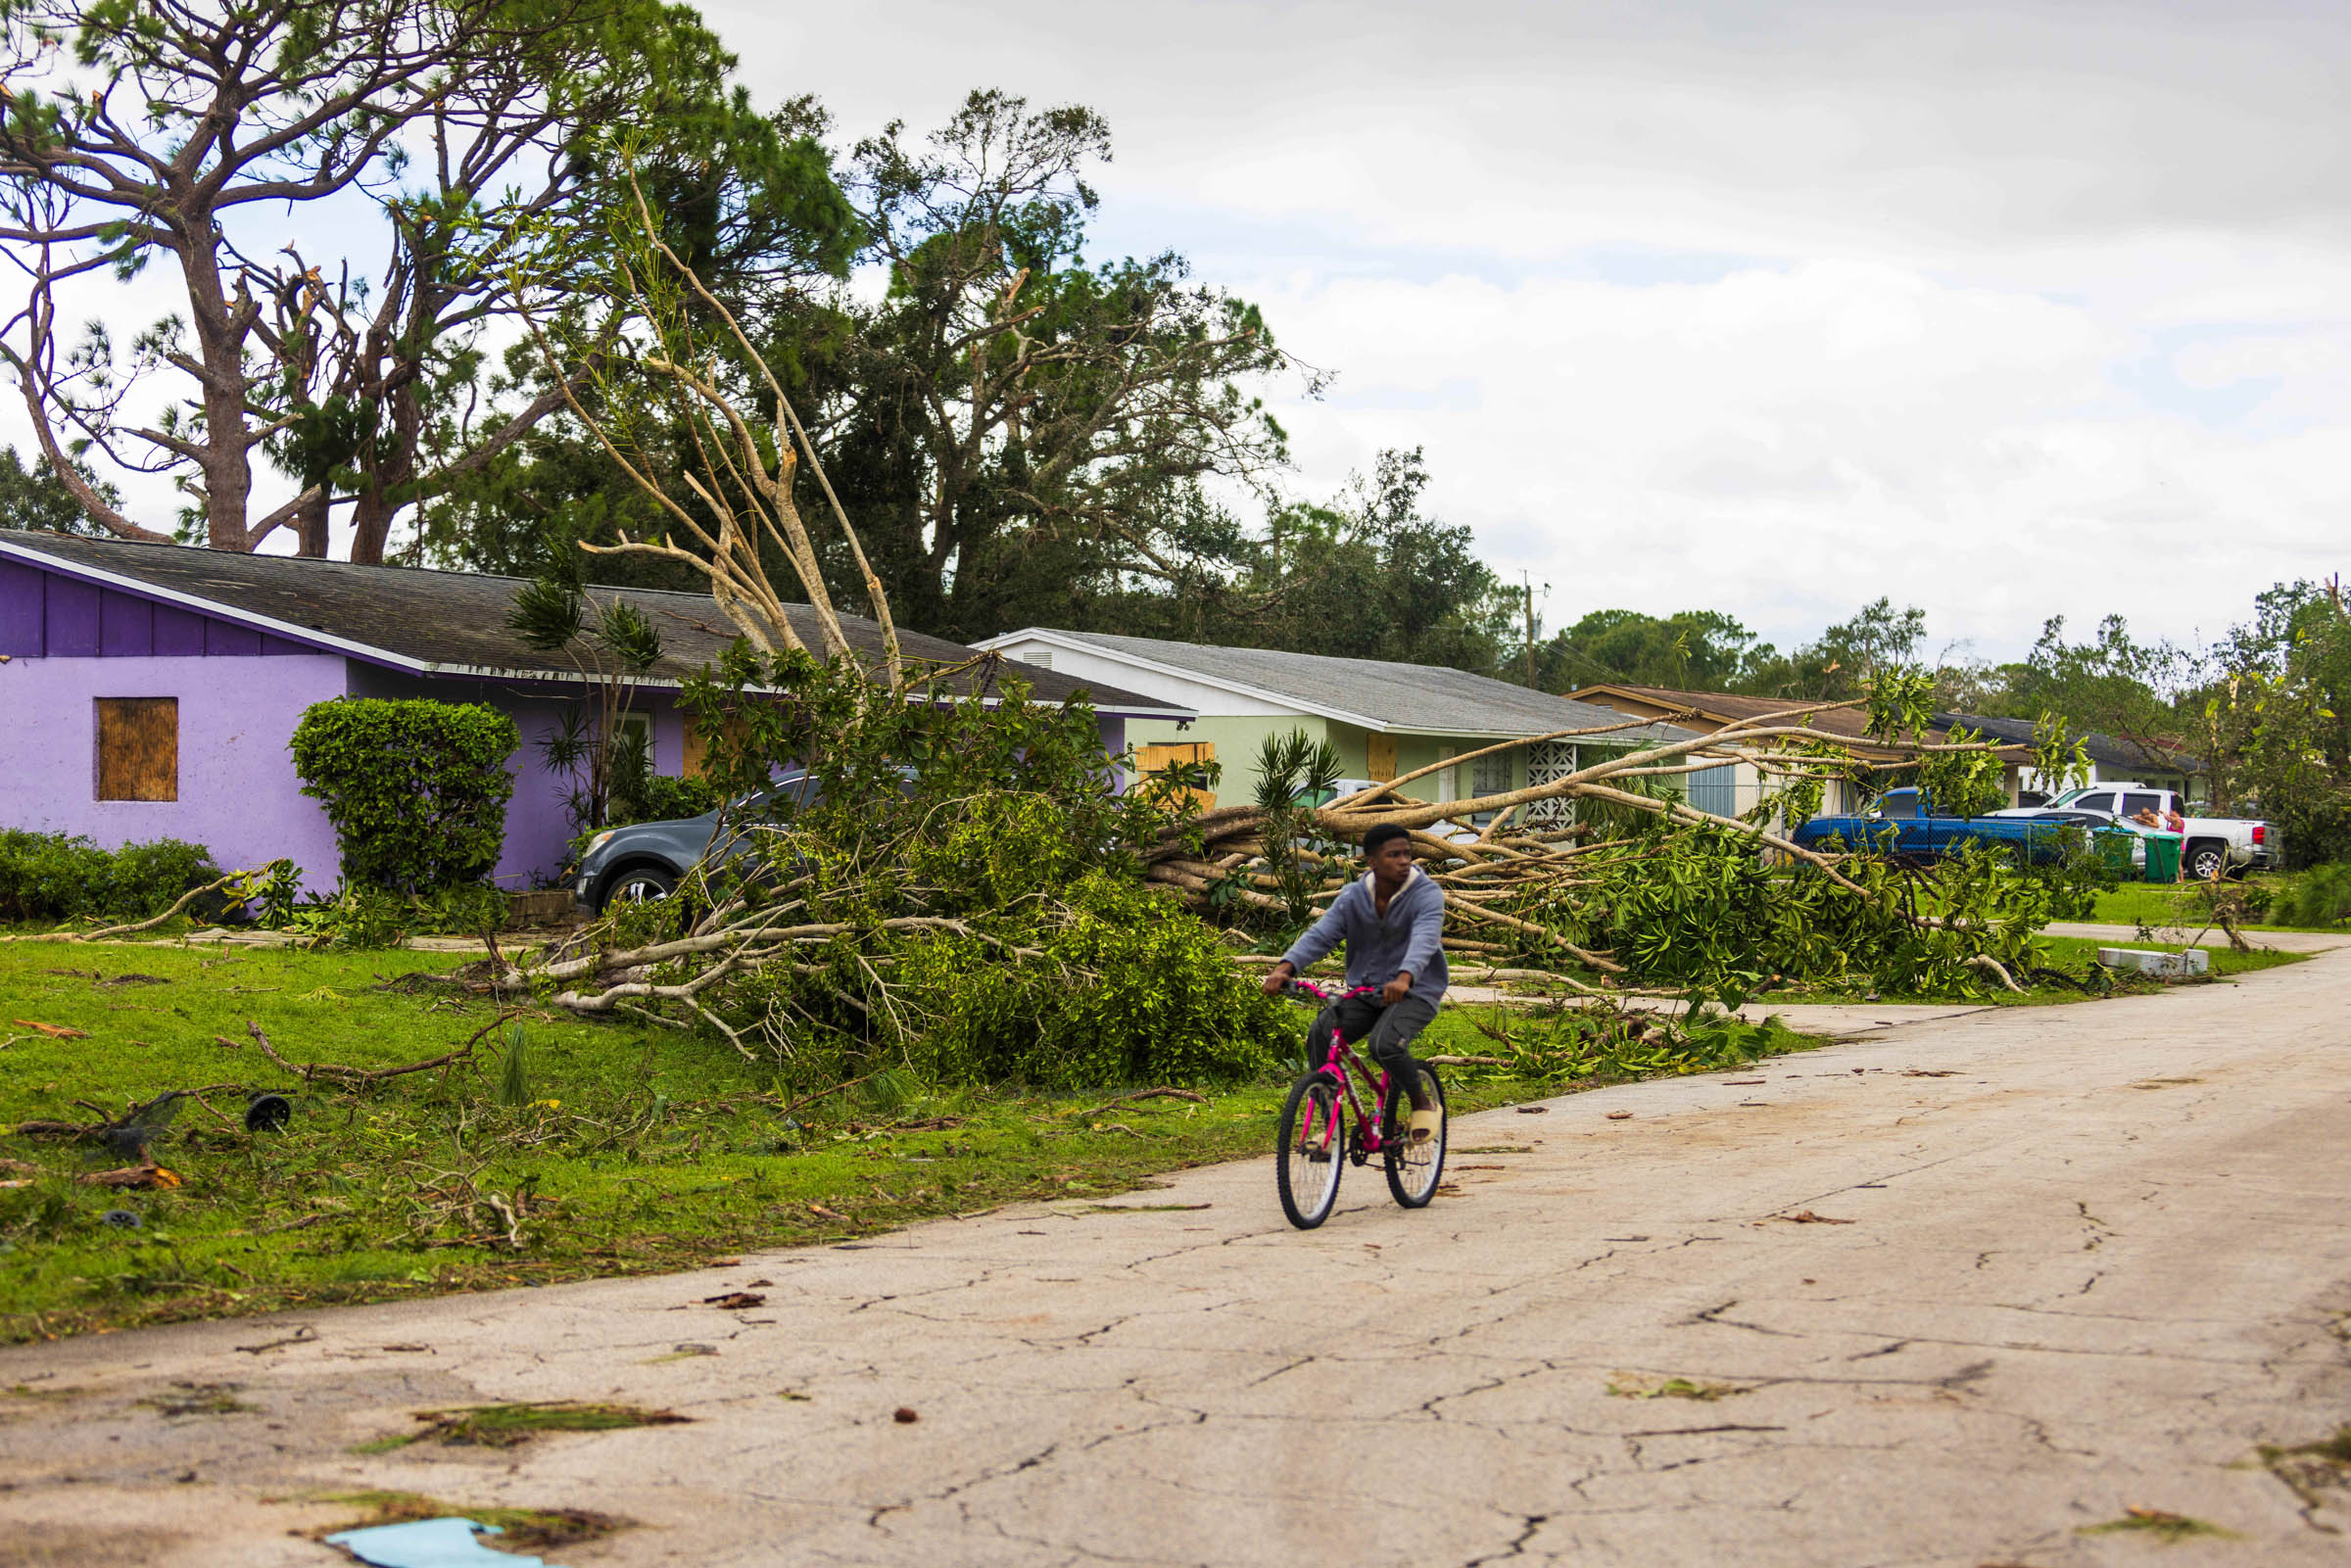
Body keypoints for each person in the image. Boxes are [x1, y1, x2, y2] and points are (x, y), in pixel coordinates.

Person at [1260, 822, 1447, 1143]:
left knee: (1384, 1045)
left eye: (1407, 854)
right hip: (1367, 990)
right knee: (1321, 1033)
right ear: (1371, 861)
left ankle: (1421, 1102)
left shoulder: (1426, 894)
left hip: (1416, 990)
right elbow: (1321, 934)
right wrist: (1285, 968)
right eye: (1393, 855)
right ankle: (1329, 1121)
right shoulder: (1354, 897)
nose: (1404, 861)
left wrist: (1404, 978)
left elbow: (1425, 939)